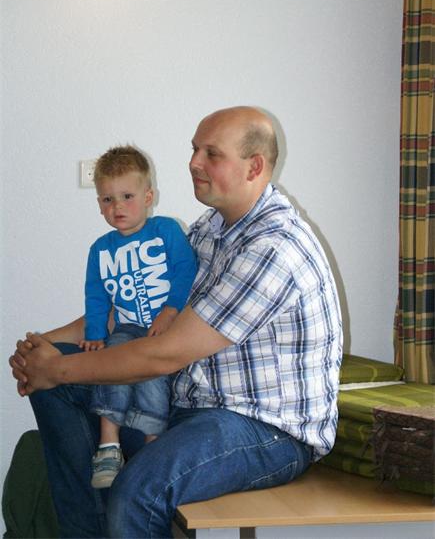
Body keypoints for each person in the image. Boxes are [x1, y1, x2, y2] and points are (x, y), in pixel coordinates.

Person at [11, 106, 343, 539]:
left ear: (254, 167)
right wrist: (41, 350)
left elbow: (165, 354)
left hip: (264, 428)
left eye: (211, 153)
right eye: (194, 149)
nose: (194, 162)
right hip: (190, 405)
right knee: (56, 387)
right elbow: (130, 310)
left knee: (140, 491)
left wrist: (56, 368)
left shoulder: (274, 246)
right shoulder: (211, 229)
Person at [81, 145, 197, 489]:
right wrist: (95, 333)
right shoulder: (101, 249)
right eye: (107, 199)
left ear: (149, 197)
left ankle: (152, 445)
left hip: (166, 326)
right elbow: (96, 296)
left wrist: (171, 310)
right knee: (112, 362)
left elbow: (186, 271)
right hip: (127, 326)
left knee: (152, 374)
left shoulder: (166, 230)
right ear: (99, 204)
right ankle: (109, 445)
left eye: (127, 196)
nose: (117, 207)